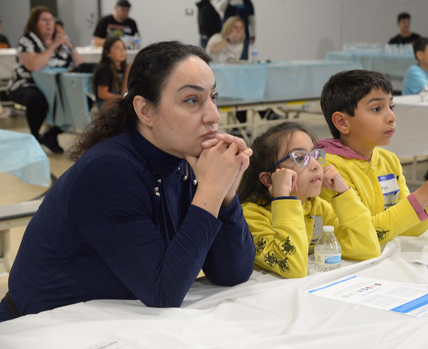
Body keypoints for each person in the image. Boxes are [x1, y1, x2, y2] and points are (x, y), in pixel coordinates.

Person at [0, 40, 255, 322]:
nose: (214, 116)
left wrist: (227, 194)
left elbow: (233, 272)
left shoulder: (185, 160)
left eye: (213, 97)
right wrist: (211, 190)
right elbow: (164, 292)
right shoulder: (109, 172)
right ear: (145, 111)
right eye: (192, 100)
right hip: (42, 328)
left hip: (108, 324)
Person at [318, 70, 428, 245]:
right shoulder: (328, 170)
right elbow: (365, 237)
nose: (392, 117)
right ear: (342, 122)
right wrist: (424, 194)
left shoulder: (388, 160)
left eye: (391, 107)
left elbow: (407, 229)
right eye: (376, 109)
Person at [237, 122, 379, 278]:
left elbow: (368, 248)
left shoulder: (317, 207)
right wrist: (284, 199)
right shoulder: (252, 216)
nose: (316, 165)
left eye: (315, 155)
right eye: (300, 157)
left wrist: (343, 194)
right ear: (269, 180)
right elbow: (293, 269)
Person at [6, 6, 84, 153]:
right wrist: (53, 46)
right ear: (35, 23)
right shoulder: (28, 39)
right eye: (44, 20)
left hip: (57, 89)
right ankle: (34, 138)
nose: (49, 23)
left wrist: (70, 47)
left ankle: (51, 135)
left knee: (84, 99)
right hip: (26, 85)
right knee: (37, 99)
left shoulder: (62, 40)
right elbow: (34, 65)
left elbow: (81, 64)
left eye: (51, 20)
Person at [92, 37, 129, 109]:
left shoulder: (124, 68)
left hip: (119, 100)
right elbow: (102, 94)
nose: (122, 51)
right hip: (106, 103)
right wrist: (121, 98)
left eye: (123, 48)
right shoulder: (105, 68)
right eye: (117, 48)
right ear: (107, 53)